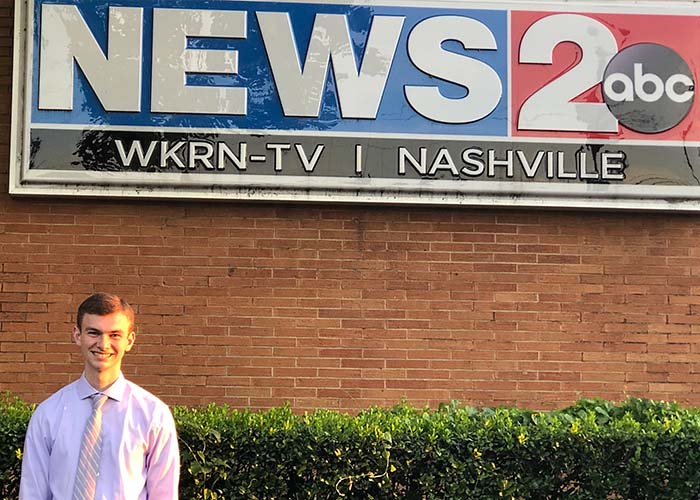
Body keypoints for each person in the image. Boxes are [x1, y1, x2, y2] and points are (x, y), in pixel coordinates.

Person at [19, 293, 180, 499]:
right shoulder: (47, 414)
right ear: (77, 335)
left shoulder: (154, 415)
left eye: (114, 335)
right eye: (94, 333)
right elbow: (32, 494)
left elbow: (164, 495)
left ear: (129, 340)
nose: (103, 344)